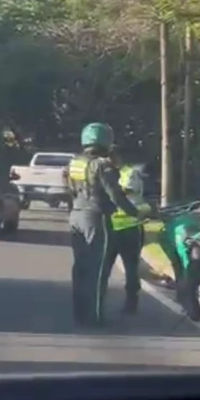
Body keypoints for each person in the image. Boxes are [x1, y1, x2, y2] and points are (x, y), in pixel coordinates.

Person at [67, 123, 148, 326]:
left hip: (76, 215)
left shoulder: (75, 163)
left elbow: (70, 190)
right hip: (96, 217)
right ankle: (94, 317)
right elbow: (115, 195)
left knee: (80, 267)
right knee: (97, 269)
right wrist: (136, 213)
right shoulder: (102, 165)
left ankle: (79, 313)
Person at [108, 151, 151, 314]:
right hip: (110, 227)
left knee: (131, 268)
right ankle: (97, 302)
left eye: (111, 157)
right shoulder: (106, 173)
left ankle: (131, 302)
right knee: (104, 267)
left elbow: (121, 193)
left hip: (130, 227)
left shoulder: (129, 173)